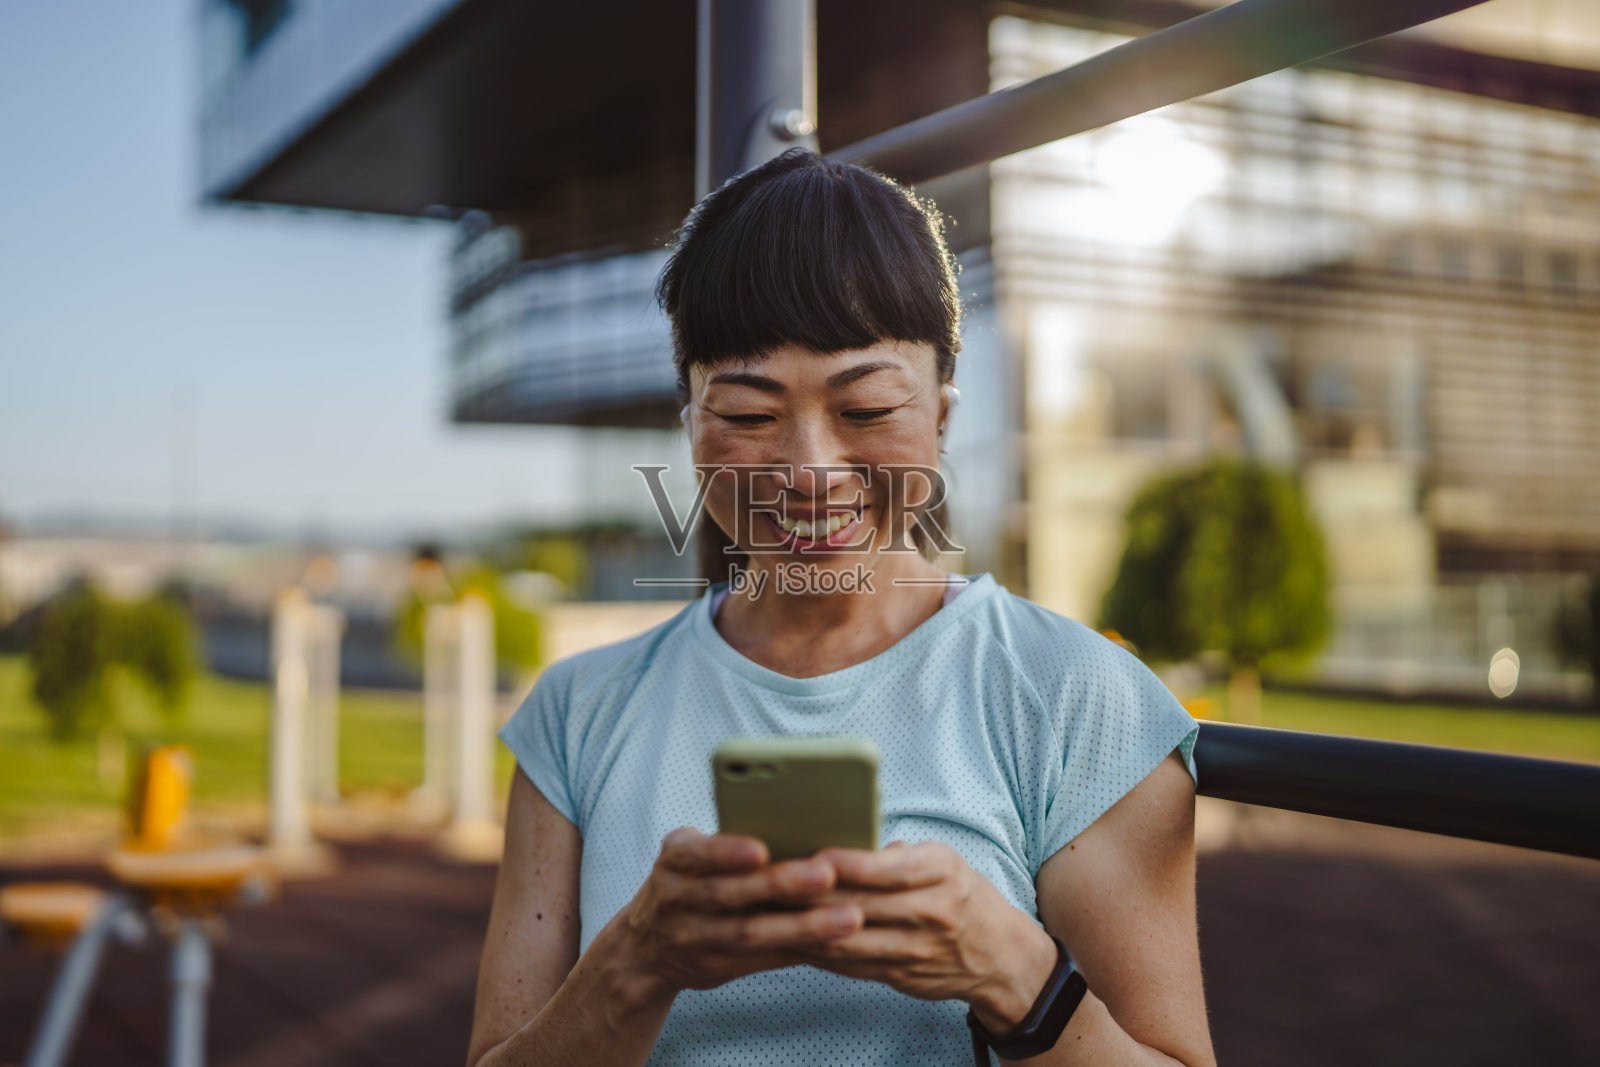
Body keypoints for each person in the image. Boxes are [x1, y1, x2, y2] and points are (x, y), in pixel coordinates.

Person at [467, 148, 1215, 1067]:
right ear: (690, 424)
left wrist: (1016, 973)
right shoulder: (576, 717)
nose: (809, 469)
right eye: (747, 416)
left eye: (865, 409)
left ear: (941, 416)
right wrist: (638, 958)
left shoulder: (1079, 699)